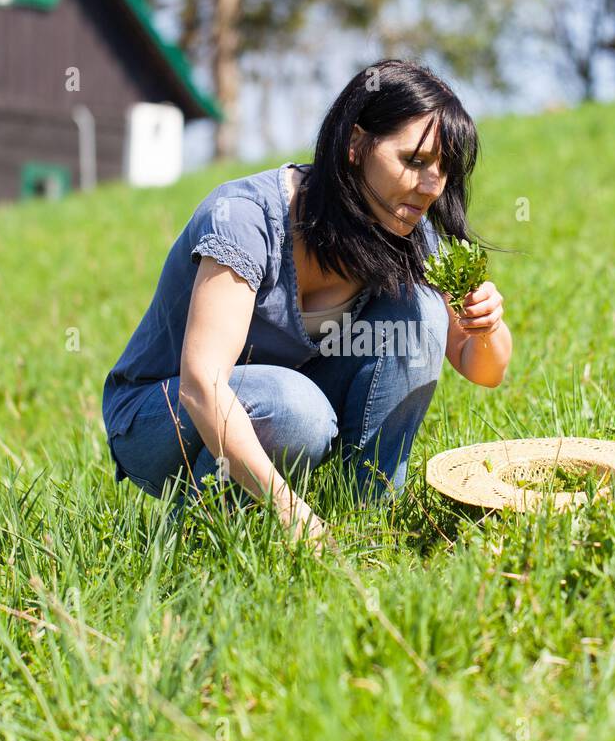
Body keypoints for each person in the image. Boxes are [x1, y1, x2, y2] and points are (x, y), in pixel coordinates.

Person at [101, 58, 512, 548]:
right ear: (356, 145)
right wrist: (291, 514)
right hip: (158, 419)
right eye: (415, 161)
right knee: (297, 410)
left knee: (420, 314)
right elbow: (201, 384)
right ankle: (203, 535)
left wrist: (487, 328)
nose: (431, 186)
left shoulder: (404, 228)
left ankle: (367, 521)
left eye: (444, 169)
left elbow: (484, 370)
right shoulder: (245, 217)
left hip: (283, 406)